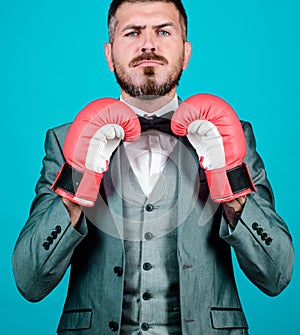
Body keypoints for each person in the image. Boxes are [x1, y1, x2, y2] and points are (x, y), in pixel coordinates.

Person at [13, 1, 294, 334]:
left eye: (163, 31)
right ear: (109, 53)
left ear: (186, 52)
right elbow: (30, 281)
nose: (148, 44)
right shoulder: (63, 141)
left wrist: (230, 184)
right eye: (133, 32)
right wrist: (78, 181)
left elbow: (276, 274)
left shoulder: (231, 134)